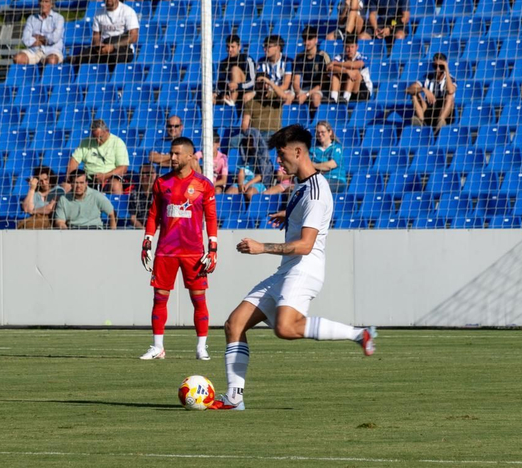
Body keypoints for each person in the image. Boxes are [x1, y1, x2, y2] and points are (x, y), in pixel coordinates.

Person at [217, 124, 376, 411]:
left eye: (282, 155)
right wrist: (287, 216)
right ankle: (234, 397)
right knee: (234, 324)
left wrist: (261, 247)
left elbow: (305, 245)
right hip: (287, 270)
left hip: (304, 268)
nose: (279, 161)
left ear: (299, 152)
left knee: (285, 328)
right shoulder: (302, 186)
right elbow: (303, 225)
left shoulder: (315, 192)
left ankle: (358, 334)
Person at [139, 135, 219, 361]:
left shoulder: (203, 185)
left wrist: (212, 248)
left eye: (176, 154)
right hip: (166, 251)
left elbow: (211, 218)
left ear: (189, 156)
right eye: (171, 153)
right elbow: (153, 214)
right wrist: (147, 240)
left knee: (199, 299)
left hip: (194, 252)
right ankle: (157, 347)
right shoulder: (161, 183)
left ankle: (201, 346)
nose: (172, 157)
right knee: (159, 298)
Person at [72, 0, 139, 65]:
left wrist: (113, 46)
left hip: (122, 48)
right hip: (104, 47)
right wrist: (98, 46)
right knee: (83, 56)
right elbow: (96, 36)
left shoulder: (128, 11)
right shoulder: (98, 13)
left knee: (114, 58)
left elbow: (133, 37)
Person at [241, 34, 291, 134]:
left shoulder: (287, 61)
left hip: (281, 90)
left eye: (268, 47)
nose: (265, 49)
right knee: (246, 96)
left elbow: (286, 84)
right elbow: (259, 80)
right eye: (264, 47)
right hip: (264, 89)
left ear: (277, 47)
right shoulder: (261, 61)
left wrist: (271, 87)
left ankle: (281, 124)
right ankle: (249, 126)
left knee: (287, 97)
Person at [67, 118, 129, 195]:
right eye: (95, 137)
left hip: (109, 178)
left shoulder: (117, 142)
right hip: (88, 179)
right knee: (66, 186)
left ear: (107, 131)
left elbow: (123, 168)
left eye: (100, 137)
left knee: (115, 185)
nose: (97, 141)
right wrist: (71, 178)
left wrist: (105, 175)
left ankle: (117, 205)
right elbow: (74, 161)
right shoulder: (86, 142)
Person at [13, 0, 65, 66]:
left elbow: (54, 38)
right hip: (34, 51)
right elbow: (25, 40)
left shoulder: (59, 18)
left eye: (46, 2)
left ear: (52, 4)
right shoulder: (31, 18)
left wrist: (38, 38)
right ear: (38, 3)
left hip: (52, 51)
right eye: (41, 1)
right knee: (18, 58)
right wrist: (46, 39)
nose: (43, 4)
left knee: (52, 60)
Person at [53, 169, 117, 229]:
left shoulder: (96, 195)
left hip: (95, 230)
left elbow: (112, 214)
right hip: (74, 231)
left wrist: (112, 235)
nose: (78, 186)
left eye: (81, 183)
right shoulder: (63, 199)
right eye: (76, 182)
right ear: (71, 184)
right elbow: (59, 222)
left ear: (86, 183)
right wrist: (66, 232)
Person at [408, 53, 456, 128]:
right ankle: (421, 121)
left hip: (443, 110)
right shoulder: (428, 77)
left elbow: (450, 91)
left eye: (441, 66)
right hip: (430, 107)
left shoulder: (450, 79)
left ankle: (441, 122)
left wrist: (446, 69)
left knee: (450, 97)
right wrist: (423, 89)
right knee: (414, 93)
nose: (438, 69)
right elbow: (408, 89)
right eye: (435, 66)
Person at [289, 27, 330, 116]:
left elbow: (323, 83)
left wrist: (306, 95)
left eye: (309, 39)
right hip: (304, 89)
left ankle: (316, 121)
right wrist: (298, 92)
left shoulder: (323, 56)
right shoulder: (299, 57)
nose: (306, 43)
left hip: (319, 90)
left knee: (315, 97)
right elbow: (295, 81)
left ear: (316, 40)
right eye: (304, 39)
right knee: (288, 97)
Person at [214, 33, 255, 107]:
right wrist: (224, 93)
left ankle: (231, 103)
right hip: (229, 91)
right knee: (211, 96)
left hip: (246, 90)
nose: (229, 50)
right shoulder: (223, 63)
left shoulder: (247, 59)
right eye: (228, 47)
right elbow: (221, 83)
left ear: (239, 47)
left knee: (235, 69)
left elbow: (252, 81)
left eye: (232, 47)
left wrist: (238, 85)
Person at [327, 34, 369, 102]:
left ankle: (345, 100)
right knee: (335, 75)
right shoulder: (340, 57)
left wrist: (337, 63)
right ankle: (333, 99)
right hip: (344, 88)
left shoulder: (363, 56)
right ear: (344, 47)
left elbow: (354, 65)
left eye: (352, 47)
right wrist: (346, 71)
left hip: (361, 90)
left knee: (354, 71)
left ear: (356, 47)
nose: (350, 50)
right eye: (347, 47)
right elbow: (329, 67)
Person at [310, 121, 347, 191]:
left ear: (330, 132)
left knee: (319, 187)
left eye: (322, 132)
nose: (320, 134)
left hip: (336, 180)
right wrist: (321, 166)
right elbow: (307, 165)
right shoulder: (312, 149)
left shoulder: (336, 147)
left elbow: (331, 165)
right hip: (318, 179)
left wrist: (314, 165)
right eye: (318, 132)